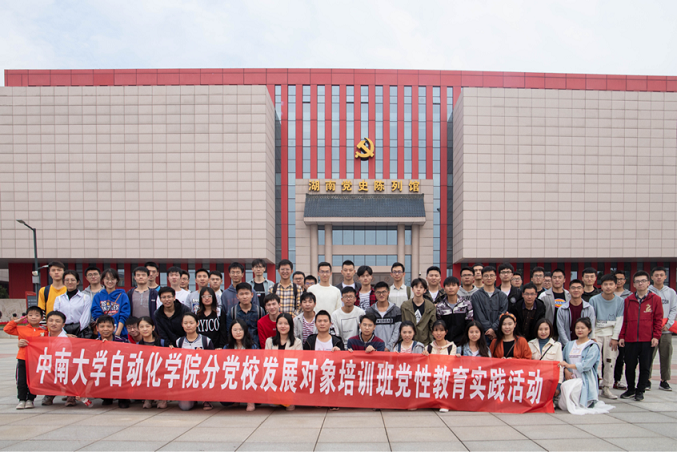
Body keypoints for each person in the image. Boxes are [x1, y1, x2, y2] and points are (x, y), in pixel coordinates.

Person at [619, 271, 663, 402]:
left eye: (643, 281)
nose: (640, 283)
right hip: (630, 339)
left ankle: (640, 390)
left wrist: (656, 336)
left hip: (647, 339)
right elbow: (624, 320)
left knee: (645, 367)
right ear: (633, 284)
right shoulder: (628, 300)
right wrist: (622, 336)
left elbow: (658, 320)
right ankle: (631, 389)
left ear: (648, 283)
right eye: (637, 281)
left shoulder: (655, 299)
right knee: (629, 365)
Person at [589, 274, 625, 399]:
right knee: (593, 361)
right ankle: (593, 387)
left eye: (611, 284)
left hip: (611, 335)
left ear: (615, 286)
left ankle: (607, 387)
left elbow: (619, 320)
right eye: (605, 284)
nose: (608, 287)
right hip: (597, 334)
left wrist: (615, 337)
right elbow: (591, 319)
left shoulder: (620, 301)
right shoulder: (594, 300)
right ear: (601, 286)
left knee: (610, 361)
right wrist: (592, 336)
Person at [4, 306, 45, 410]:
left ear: (41, 318)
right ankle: (22, 400)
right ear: (26, 317)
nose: (33, 317)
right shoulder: (21, 328)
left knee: (33, 381)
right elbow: (7, 329)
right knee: (21, 380)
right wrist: (16, 321)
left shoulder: (44, 331)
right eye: (30, 315)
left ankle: (30, 399)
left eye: (37, 315)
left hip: (36, 360)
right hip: (23, 358)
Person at [560, 318, 603, 409]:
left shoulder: (592, 346)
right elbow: (562, 360)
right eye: (577, 328)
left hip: (584, 379)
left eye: (583, 328)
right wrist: (566, 370)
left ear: (589, 330)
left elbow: (586, 365)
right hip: (570, 378)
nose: (580, 330)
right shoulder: (569, 344)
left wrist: (569, 365)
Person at [177, 312, 215, 411]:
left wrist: (204, 355)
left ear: (197, 324)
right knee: (185, 407)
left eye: (191, 323)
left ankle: (206, 399)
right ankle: (192, 398)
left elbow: (213, 361)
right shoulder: (179, 342)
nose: (188, 326)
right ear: (182, 325)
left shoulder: (206, 341)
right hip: (186, 379)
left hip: (202, 377)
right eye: (185, 323)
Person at [648, 266, 677, 391]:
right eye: (656, 275)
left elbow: (674, 309)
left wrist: (668, 324)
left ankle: (664, 380)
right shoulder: (648, 291)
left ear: (665, 277)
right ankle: (647, 379)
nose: (659, 277)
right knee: (648, 356)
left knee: (666, 356)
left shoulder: (671, 292)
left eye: (661, 275)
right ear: (652, 277)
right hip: (650, 331)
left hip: (666, 330)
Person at [96, 315, 130, 408]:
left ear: (114, 328)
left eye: (108, 326)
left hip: (119, 371)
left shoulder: (122, 342)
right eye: (102, 326)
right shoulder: (94, 343)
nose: (105, 329)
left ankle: (123, 398)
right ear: (97, 328)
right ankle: (107, 397)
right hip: (103, 371)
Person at [471, 266, 509, 345]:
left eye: (491, 275)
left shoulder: (502, 296)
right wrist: (489, 329)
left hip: (498, 333)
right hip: (482, 333)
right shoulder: (476, 296)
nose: (489, 278)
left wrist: (493, 329)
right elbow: (478, 315)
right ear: (482, 278)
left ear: (496, 277)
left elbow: (502, 314)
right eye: (486, 276)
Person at [225, 319, 257, 412]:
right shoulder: (227, 347)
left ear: (245, 331)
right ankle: (236, 398)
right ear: (231, 331)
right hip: (233, 376)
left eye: (240, 329)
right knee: (224, 402)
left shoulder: (252, 346)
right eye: (235, 330)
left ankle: (250, 400)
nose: (238, 332)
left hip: (248, 375)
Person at [136, 316, 167, 409]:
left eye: (147, 326)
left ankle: (161, 398)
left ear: (153, 328)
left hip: (160, 373)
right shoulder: (137, 345)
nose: (145, 329)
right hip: (145, 373)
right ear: (138, 329)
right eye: (141, 327)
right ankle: (148, 397)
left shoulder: (162, 343)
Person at [91, 268, 131, 338]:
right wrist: (102, 332)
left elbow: (124, 315)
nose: (110, 281)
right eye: (107, 279)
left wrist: (118, 333)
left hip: (120, 333)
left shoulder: (122, 296)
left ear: (117, 280)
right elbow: (96, 315)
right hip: (103, 333)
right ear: (103, 280)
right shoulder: (98, 296)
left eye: (112, 279)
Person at [529, 319, 563, 396]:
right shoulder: (530, 344)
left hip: (549, 381)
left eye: (546, 329)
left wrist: (558, 385)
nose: (543, 332)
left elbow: (559, 366)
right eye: (540, 329)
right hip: (533, 381)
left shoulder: (556, 345)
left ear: (550, 330)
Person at [54, 269, 92, 337]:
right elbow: (56, 317)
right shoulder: (59, 299)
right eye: (67, 280)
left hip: (80, 332)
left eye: (73, 280)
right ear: (63, 282)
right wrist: (64, 333)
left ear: (78, 282)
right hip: (63, 331)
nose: (70, 282)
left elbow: (86, 317)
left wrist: (77, 330)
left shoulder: (85, 298)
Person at [557, 279, 596, 346]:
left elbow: (591, 328)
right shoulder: (562, 309)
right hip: (566, 345)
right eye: (573, 288)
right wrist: (568, 345)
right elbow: (561, 330)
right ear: (569, 291)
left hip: (584, 345)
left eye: (579, 288)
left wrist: (585, 344)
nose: (576, 290)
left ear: (583, 290)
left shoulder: (589, 308)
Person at [226, 282, 266, 347]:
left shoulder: (260, 311)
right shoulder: (232, 312)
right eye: (241, 294)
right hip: (239, 347)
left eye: (247, 293)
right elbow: (229, 332)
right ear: (237, 296)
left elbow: (263, 332)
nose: (244, 297)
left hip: (256, 346)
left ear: (252, 295)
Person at [436, 276, 473, 345]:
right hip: (445, 343)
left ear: (458, 288)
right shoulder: (440, 306)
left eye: (453, 285)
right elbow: (440, 326)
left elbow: (469, 324)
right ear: (444, 289)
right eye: (448, 286)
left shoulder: (466, 304)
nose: (451, 288)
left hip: (463, 342)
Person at [366, 281, 401, 351]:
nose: (381, 294)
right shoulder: (370, 311)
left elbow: (397, 331)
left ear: (388, 292)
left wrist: (388, 347)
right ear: (375, 293)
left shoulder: (396, 310)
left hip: (392, 350)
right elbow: (368, 331)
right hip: (374, 350)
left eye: (384, 292)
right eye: (378, 292)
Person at [400, 278, 436, 346]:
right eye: (416, 287)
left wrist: (432, 344)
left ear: (425, 290)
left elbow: (432, 326)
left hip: (425, 343)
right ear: (412, 289)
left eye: (421, 287)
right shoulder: (405, 306)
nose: (418, 289)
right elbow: (402, 323)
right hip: (408, 342)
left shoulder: (430, 306)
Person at [613, 269, 631, 390]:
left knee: (620, 357)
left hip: (623, 329)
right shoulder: (607, 293)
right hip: (610, 328)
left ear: (625, 281)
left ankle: (617, 380)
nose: (619, 281)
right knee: (607, 357)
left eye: (621, 279)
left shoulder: (629, 295)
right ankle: (605, 379)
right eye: (616, 279)